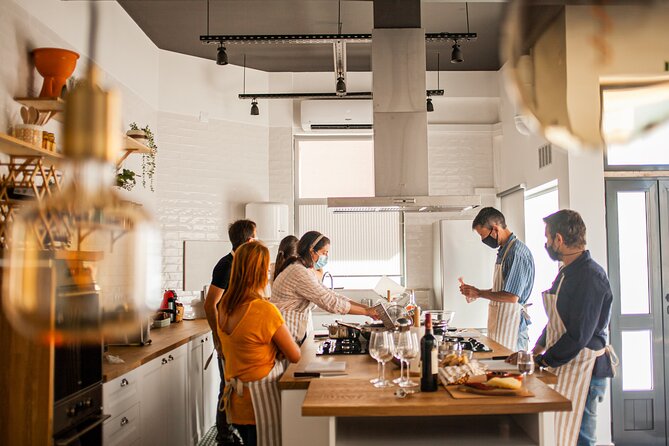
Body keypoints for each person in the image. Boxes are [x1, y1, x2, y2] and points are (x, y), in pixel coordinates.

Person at [508, 209, 616, 446]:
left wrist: (544, 361)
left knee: (581, 437)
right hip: (568, 363)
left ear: (559, 239)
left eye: (547, 238)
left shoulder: (591, 276)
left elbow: (579, 335)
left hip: (586, 368)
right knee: (563, 434)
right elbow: (557, 319)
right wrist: (536, 349)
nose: (546, 243)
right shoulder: (567, 272)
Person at [217, 241, 301, 446]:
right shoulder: (264, 310)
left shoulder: (224, 306)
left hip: (235, 404)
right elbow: (295, 355)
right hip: (258, 402)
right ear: (261, 272)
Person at [270, 231, 377, 343]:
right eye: (324, 253)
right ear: (311, 251)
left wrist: (366, 308)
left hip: (287, 333)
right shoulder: (299, 272)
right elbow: (329, 301)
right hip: (284, 335)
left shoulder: (302, 269)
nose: (326, 257)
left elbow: (330, 293)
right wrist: (366, 312)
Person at [204, 219, 256, 445]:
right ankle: (224, 436)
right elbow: (210, 304)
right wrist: (217, 337)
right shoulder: (227, 265)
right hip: (226, 338)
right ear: (249, 240)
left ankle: (230, 431)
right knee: (227, 388)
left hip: (236, 337)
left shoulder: (240, 264)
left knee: (232, 386)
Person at [459, 207, 535, 351]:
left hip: (513, 328)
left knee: (509, 372)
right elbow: (503, 290)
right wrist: (476, 292)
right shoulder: (504, 250)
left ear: (495, 229)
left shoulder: (516, 253)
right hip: (502, 324)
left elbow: (512, 296)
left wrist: (479, 293)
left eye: (483, 234)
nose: (483, 240)